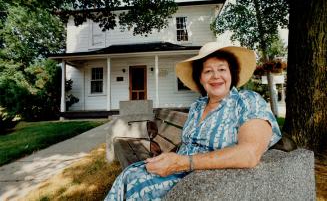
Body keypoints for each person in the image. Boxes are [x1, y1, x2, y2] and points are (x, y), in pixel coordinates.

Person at [105, 42, 282, 200]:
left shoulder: (247, 101)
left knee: (138, 186)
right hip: (178, 170)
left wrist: (182, 162)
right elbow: (187, 145)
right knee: (130, 175)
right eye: (208, 71)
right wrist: (166, 158)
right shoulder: (198, 106)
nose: (215, 76)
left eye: (222, 69)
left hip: (203, 182)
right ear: (200, 78)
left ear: (231, 74)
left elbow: (249, 154)